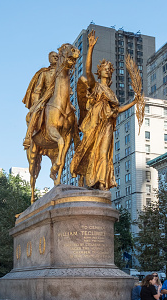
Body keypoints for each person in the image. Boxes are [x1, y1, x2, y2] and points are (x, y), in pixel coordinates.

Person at [70, 30, 141, 189]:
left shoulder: (112, 94)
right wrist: (91, 48)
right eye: (105, 68)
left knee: (104, 154)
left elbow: (117, 110)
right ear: (99, 71)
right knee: (90, 152)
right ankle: (89, 179)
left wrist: (134, 102)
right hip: (94, 126)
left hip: (108, 125)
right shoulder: (96, 86)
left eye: (110, 68)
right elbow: (87, 71)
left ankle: (101, 182)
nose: (108, 70)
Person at [22, 51, 59, 149]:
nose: (55, 58)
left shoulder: (62, 73)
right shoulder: (44, 73)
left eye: (57, 56)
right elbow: (38, 89)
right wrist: (36, 103)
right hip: (46, 99)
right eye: (53, 56)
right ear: (49, 59)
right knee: (35, 112)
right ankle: (28, 136)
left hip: (58, 100)